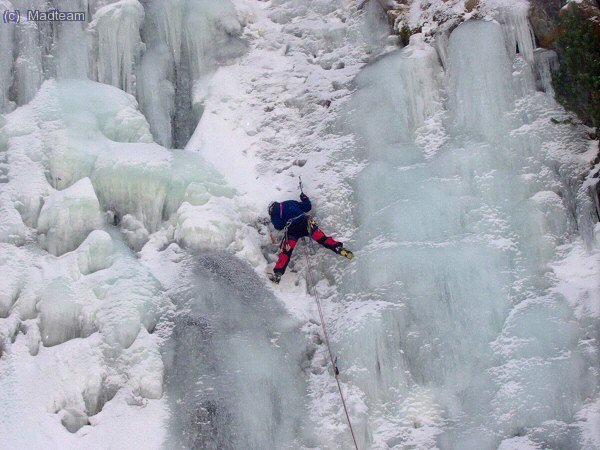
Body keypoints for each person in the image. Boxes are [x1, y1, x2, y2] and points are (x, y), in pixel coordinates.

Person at [267, 193, 353, 284]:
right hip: (306, 223)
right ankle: (338, 248)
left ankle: (278, 274)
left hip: (292, 229)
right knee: (323, 239)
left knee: (286, 252)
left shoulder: (274, 212)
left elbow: (278, 225)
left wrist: (276, 218)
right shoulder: (291, 202)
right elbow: (307, 206)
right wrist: (304, 198)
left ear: (271, 209)